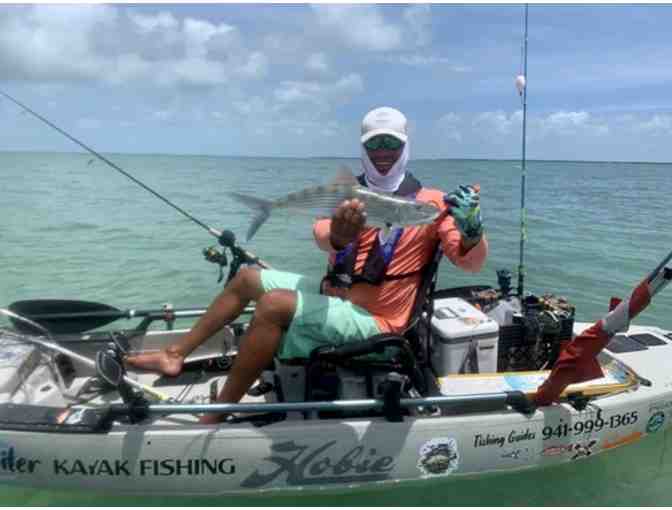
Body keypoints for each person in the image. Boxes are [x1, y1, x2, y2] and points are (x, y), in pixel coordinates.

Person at [126, 106, 488, 423]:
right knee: (248, 278)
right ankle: (174, 355)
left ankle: (217, 412)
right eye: (374, 144)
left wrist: (472, 230)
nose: (382, 153)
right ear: (362, 148)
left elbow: (470, 263)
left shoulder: (432, 204)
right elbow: (322, 234)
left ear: (405, 146)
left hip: (380, 320)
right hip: (337, 297)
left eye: (391, 144)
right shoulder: (346, 195)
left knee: (274, 304)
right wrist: (340, 236)